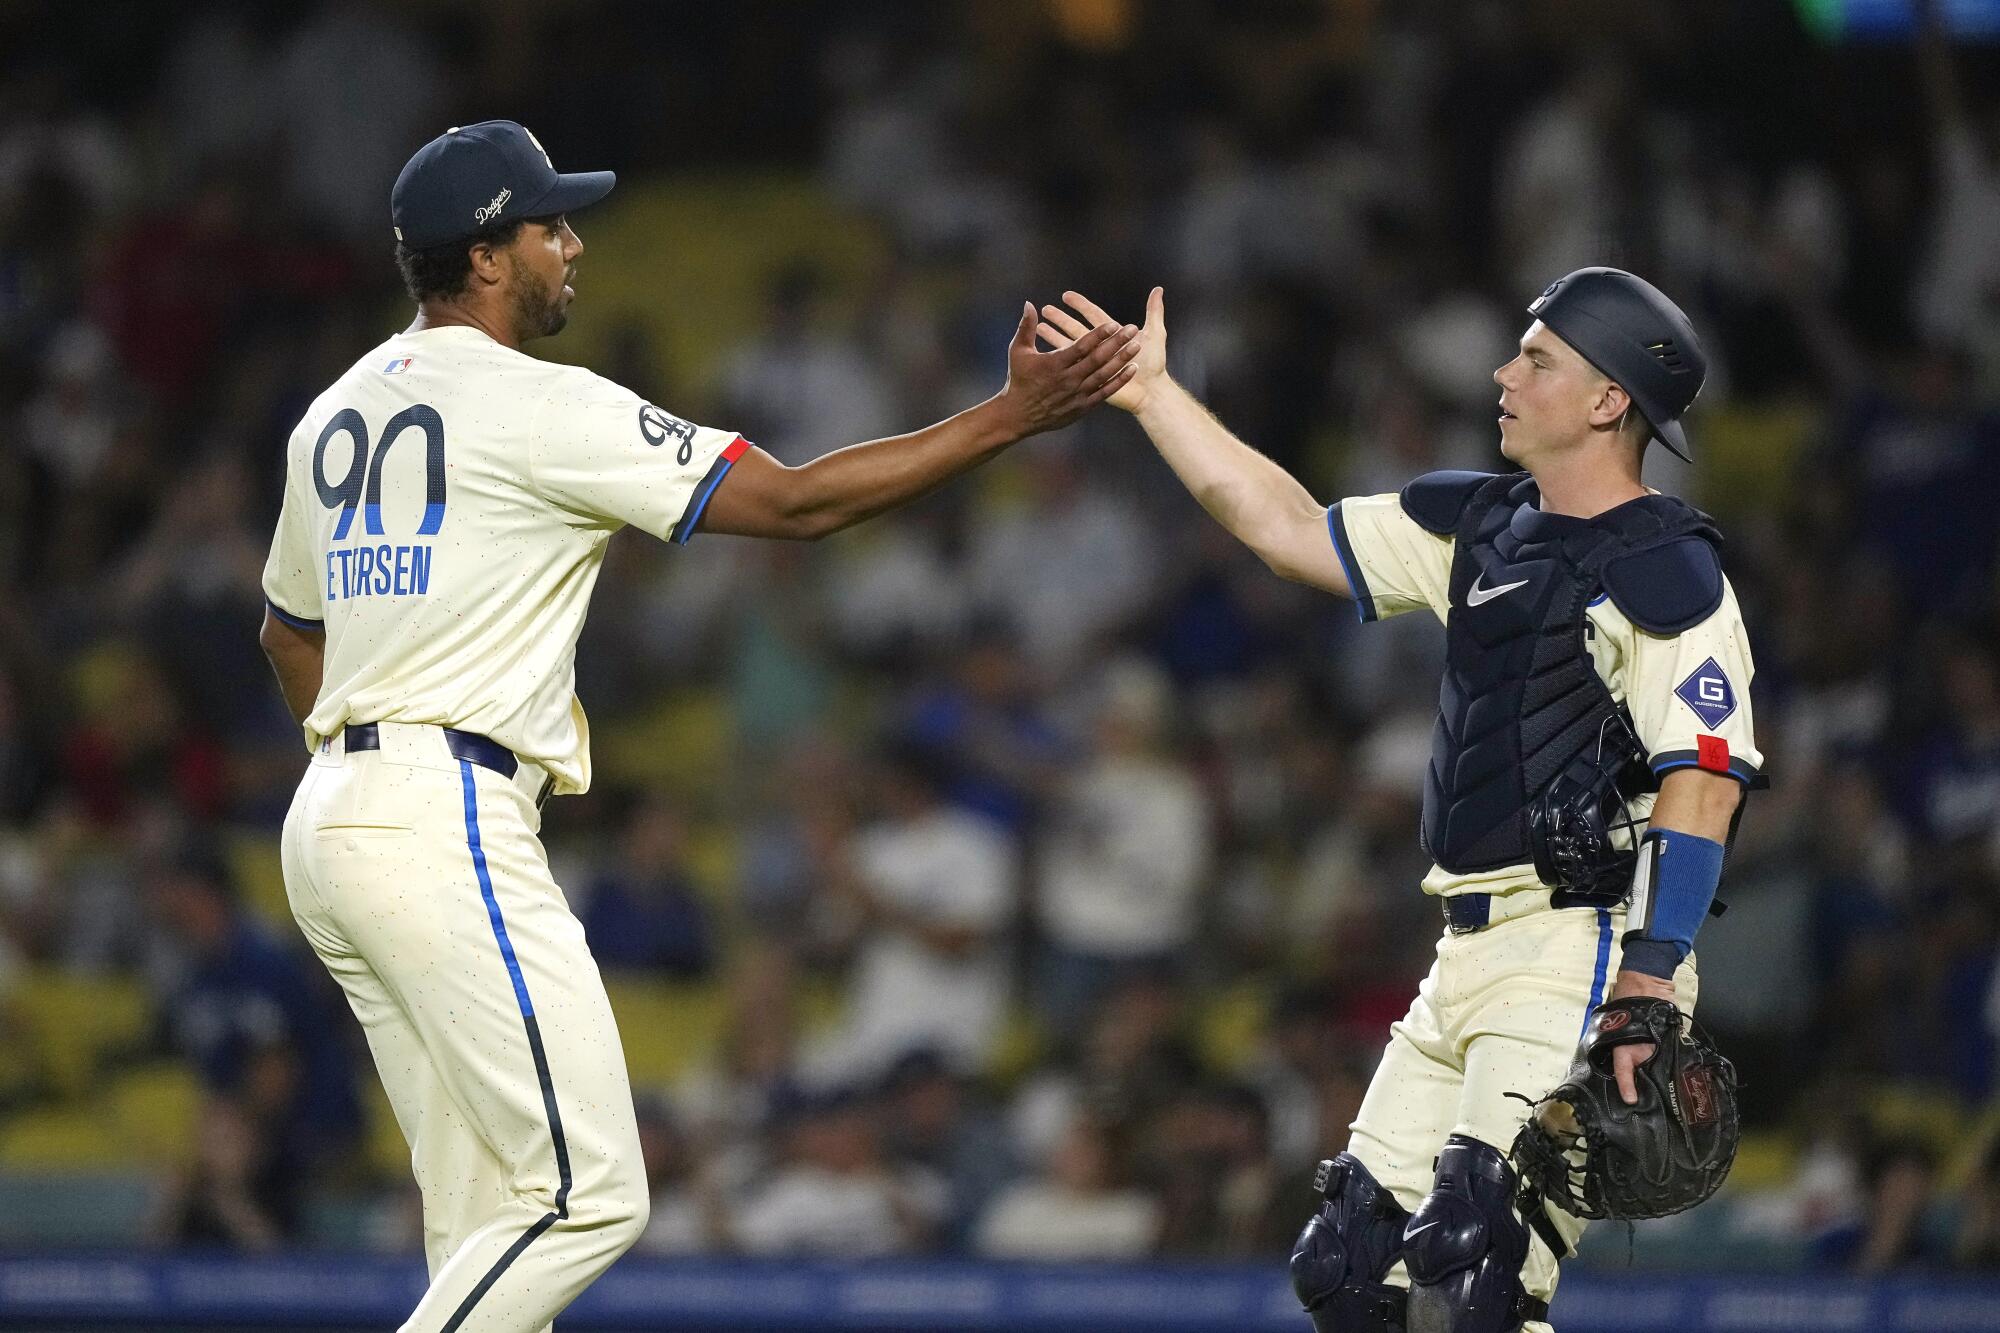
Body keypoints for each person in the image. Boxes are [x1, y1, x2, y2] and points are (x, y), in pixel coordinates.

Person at [257, 120, 1138, 1333]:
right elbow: (796, 500)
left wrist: (363, 779)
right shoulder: (535, 403)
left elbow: (286, 636)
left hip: (335, 816)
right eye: (548, 225)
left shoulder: (331, 414)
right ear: (486, 257)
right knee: (589, 1197)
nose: (572, 245)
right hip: (437, 806)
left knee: (488, 1214)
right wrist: (1005, 419)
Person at [1040, 271, 1762, 1331]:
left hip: (1584, 942)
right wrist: (1153, 395)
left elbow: (1700, 781)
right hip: (1461, 951)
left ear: (1609, 400)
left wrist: (1647, 980)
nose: (1501, 374)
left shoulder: (1666, 568)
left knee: (1478, 1275)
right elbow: (1287, 528)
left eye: (1537, 359)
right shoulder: (1484, 524)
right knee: (1347, 1267)